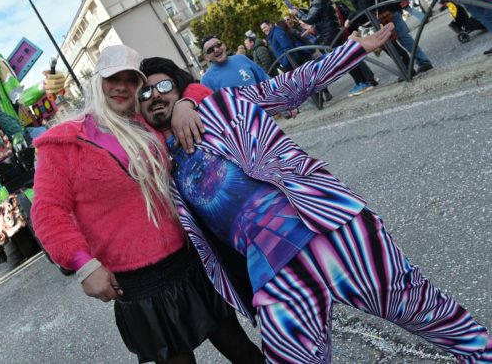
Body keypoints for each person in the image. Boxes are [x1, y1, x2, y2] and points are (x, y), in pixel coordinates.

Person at [136, 24, 492, 363]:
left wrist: (352, 51)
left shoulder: (223, 106)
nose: (155, 96)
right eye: (145, 94)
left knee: (429, 314)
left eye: (162, 85)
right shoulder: (161, 168)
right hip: (274, 276)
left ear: (179, 86)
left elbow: (290, 86)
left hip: (333, 232)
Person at [31, 45, 263, 364]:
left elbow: (196, 87)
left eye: (131, 80)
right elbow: (47, 213)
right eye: (113, 78)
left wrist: (185, 104)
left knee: (244, 352)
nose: (122, 86)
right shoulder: (64, 142)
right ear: (96, 82)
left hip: (189, 263)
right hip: (140, 287)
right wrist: (84, 265)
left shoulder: (144, 122)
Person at [290, 0, 375, 97]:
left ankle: (361, 83)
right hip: (333, 32)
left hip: (329, 34)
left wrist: (297, 13)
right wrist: (301, 10)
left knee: (344, 61)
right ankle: (364, 81)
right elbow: (316, 13)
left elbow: (310, 19)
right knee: (346, 58)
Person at [354, 0, 435, 72]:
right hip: (385, 12)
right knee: (399, 40)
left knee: (404, 38)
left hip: (391, 11)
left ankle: (423, 61)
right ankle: (415, 64)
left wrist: (391, 7)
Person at [342, 0, 418, 84]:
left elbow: (364, 9)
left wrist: (350, 18)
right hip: (380, 18)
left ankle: (407, 70)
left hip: (377, 21)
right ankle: (407, 69)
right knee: (390, 46)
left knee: (390, 47)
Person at [200, 35, 271, 90]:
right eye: (210, 50)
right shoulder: (206, 80)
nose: (216, 50)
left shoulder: (241, 58)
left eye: (218, 44)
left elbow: (265, 79)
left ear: (224, 45)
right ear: (206, 57)